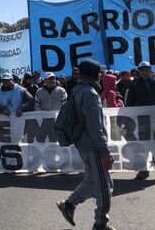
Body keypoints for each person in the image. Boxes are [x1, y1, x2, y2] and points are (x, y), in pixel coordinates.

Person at [56, 59, 114, 230]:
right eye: (99, 72)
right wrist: (105, 150)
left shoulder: (77, 89)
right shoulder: (89, 92)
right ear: (93, 74)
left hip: (84, 144)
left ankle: (69, 204)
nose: (102, 75)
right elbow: (94, 125)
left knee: (92, 180)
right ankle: (100, 224)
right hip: (93, 146)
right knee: (104, 186)